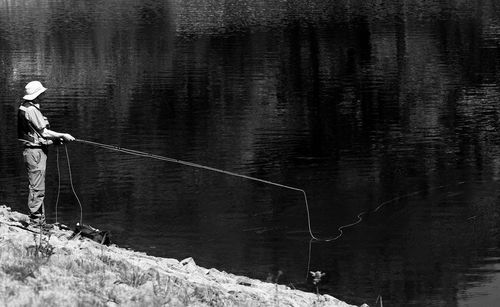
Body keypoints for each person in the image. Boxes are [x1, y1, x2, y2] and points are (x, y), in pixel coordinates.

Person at [17, 81, 75, 226]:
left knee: (37, 185)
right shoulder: (31, 110)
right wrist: (63, 134)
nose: (43, 95)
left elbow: (36, 134)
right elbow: (44, 132)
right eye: (42, 93)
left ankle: (39, 220)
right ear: (37, 94)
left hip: (34, 151)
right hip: (35, 153)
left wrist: (55, 141)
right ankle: (35, 221)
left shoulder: (25, 107)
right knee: (37, 187)